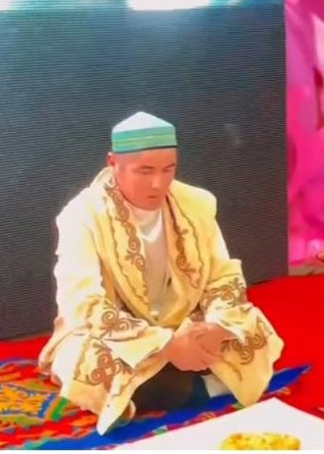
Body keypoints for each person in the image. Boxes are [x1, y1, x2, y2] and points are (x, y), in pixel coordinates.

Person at [38, 111, 284, 434]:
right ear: (113, 163)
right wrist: (166, 345)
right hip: (118, 336)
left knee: (250, 328)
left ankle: (185, 384)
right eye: (145, 171)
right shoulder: (81, 215)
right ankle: (206, 386)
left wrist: (216, 327)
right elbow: (83, 305)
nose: (158, 183)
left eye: (169, 170)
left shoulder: (196, 203)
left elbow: (222, 277)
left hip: (186, 321)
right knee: (84, 360)